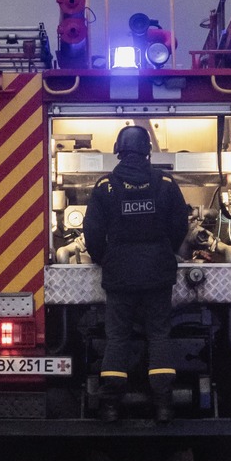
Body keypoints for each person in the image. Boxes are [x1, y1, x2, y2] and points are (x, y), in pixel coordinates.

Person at [83, 123, 190, 424]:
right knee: (159, 335)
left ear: (118, 150)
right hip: (157, 272)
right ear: (147, 151)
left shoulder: (105, 186)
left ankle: (110, 406)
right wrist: (166, 250)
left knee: (117, 336)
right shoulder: (166, 184)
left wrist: (104, 257)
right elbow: (180, 225)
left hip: (119, 274)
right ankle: (164, 405)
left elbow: (91, 231)